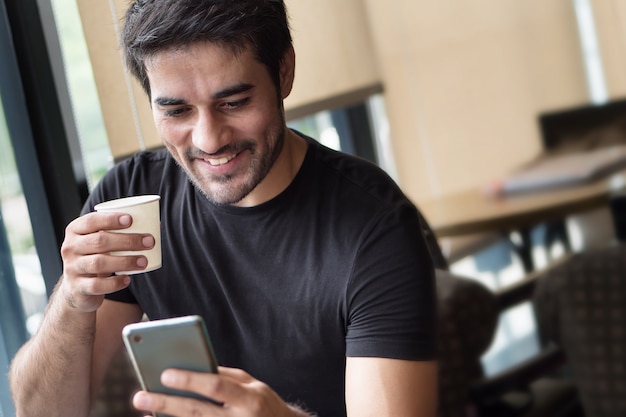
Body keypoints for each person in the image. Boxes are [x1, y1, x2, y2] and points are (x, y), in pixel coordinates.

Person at [8, 1, 438, 416]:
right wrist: (71, 300)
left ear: (283, 72)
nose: (209, 140)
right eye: (177, 110)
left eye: (233, 103)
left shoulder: (374, 226)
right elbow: (38, 412)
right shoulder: (133, 197)